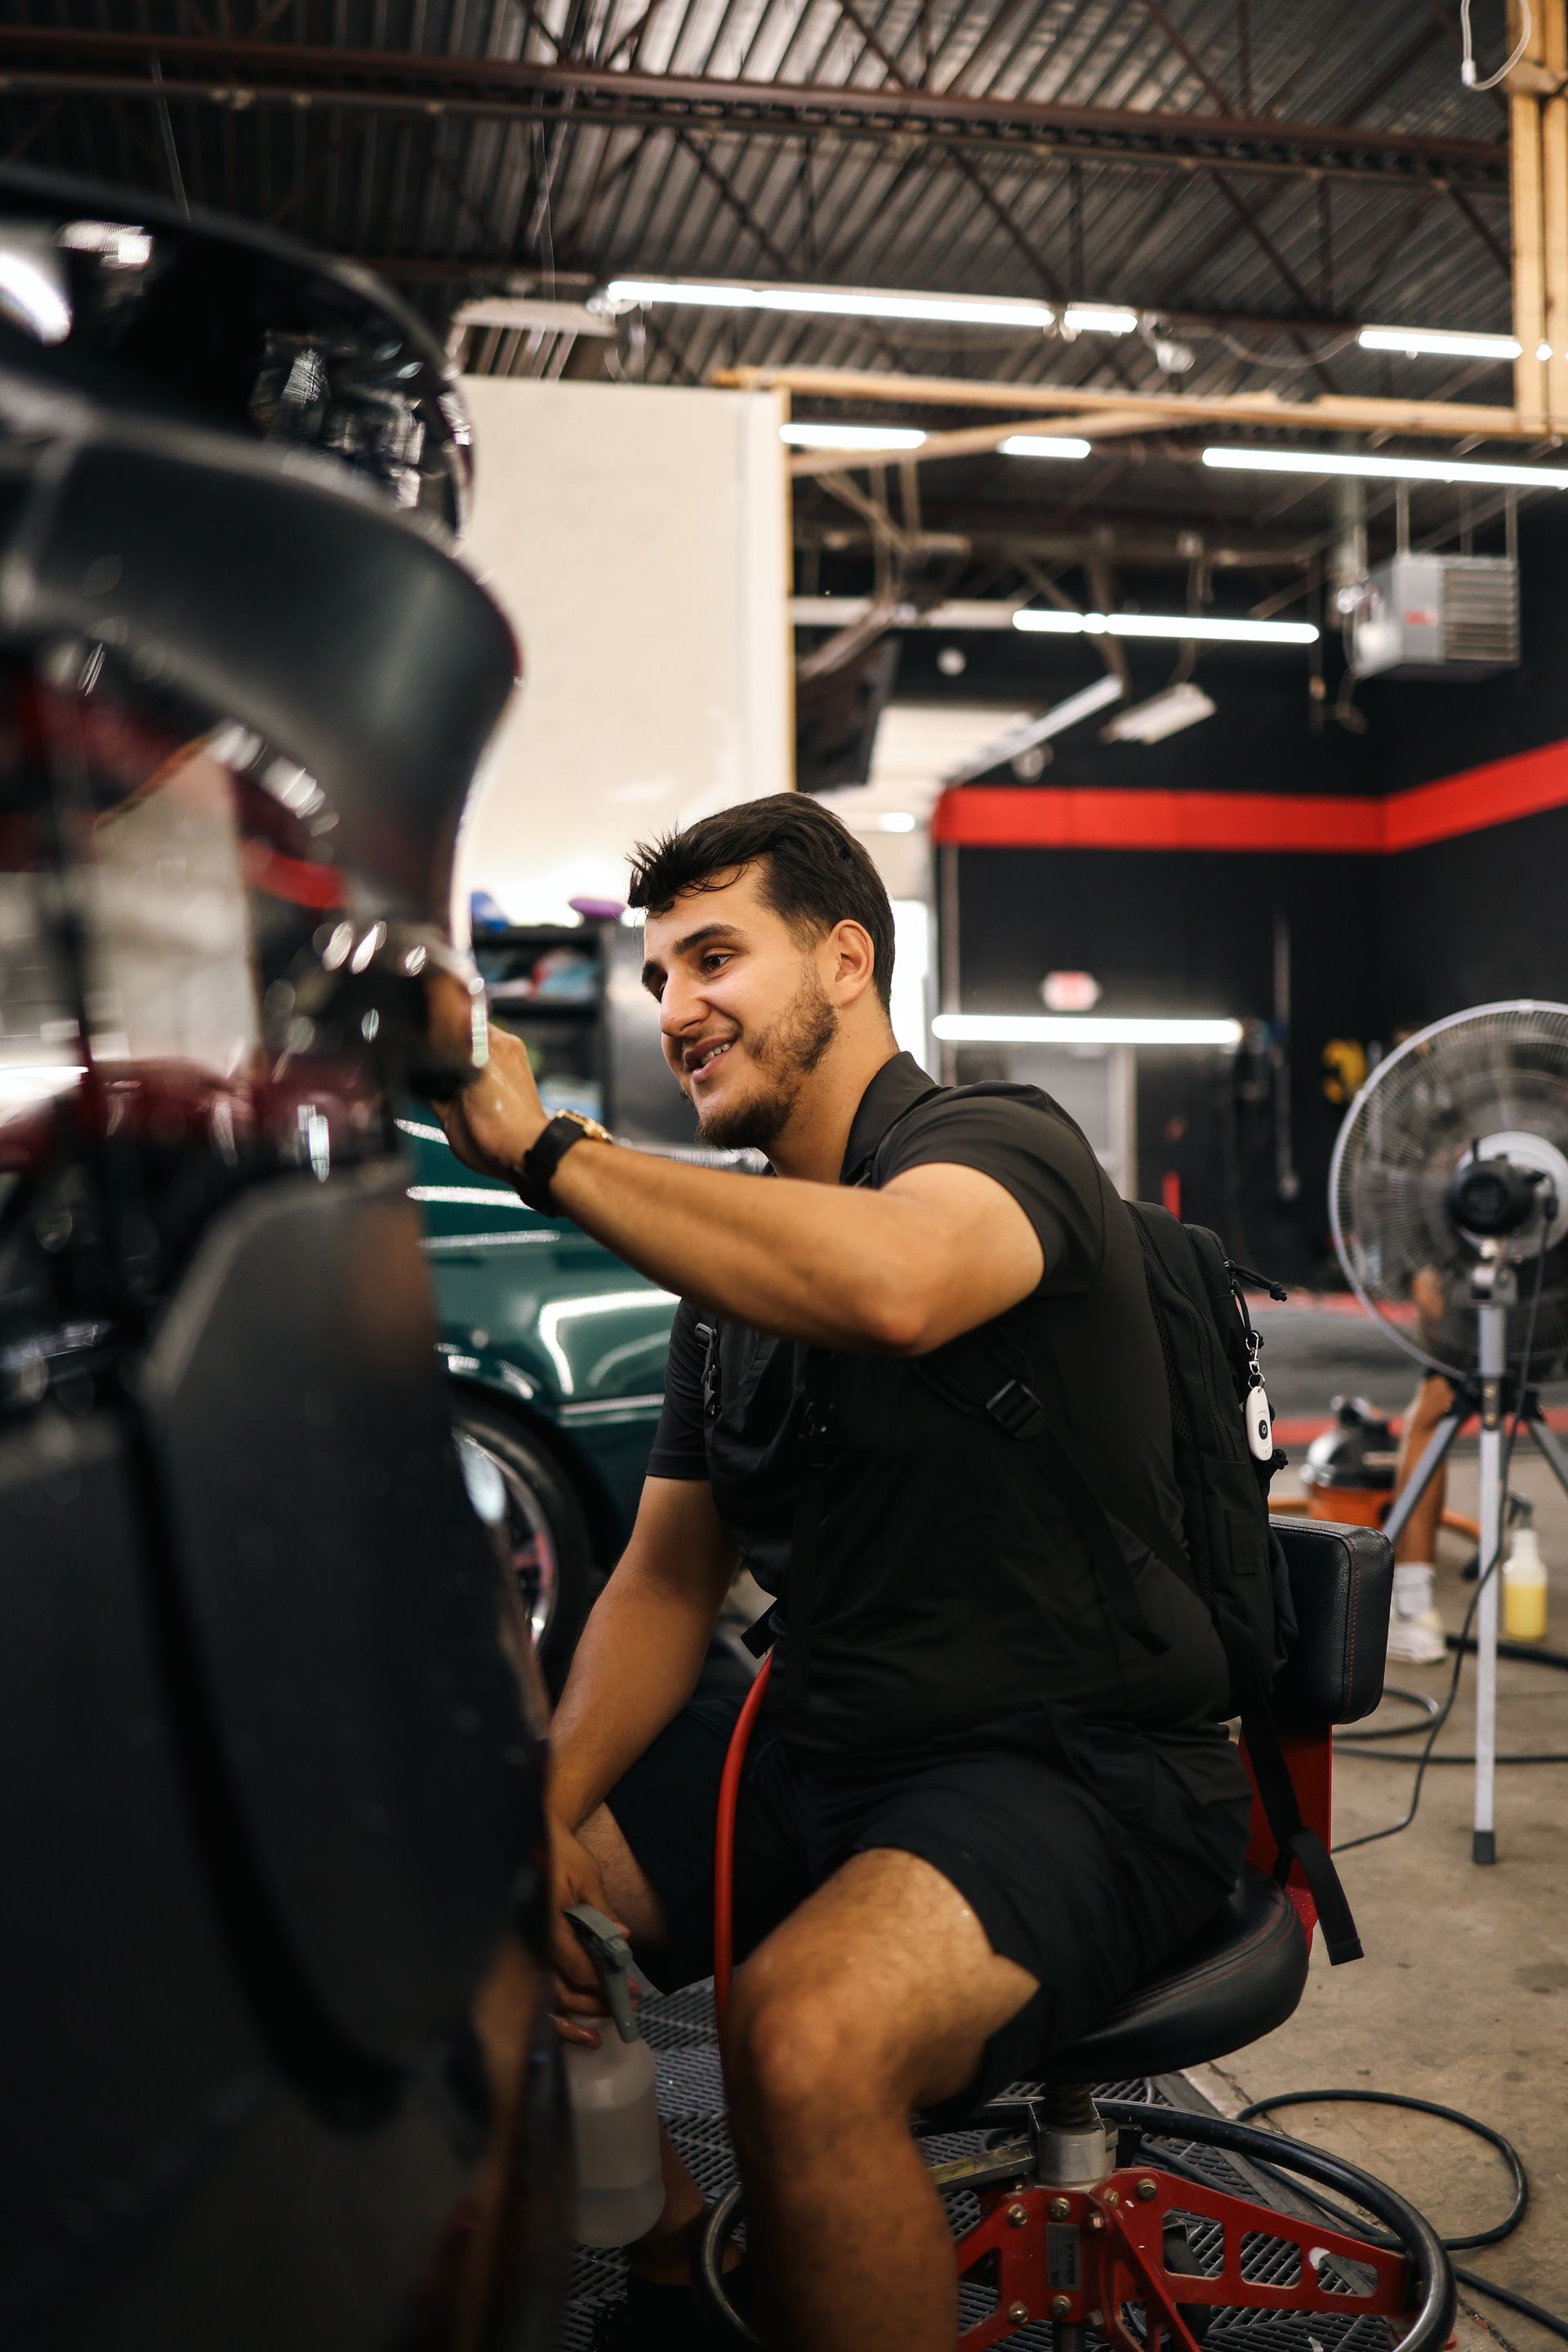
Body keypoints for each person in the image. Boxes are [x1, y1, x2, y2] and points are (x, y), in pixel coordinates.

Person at [433, 794, 1253, 2352]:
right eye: (661, 973)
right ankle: (675, 2261)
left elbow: (891, 1286)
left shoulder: (1004, 1145)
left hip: (1079, 1770)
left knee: (798, 2034)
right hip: (827, 1751)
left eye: (717, 958)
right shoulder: (729, 1280)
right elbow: (667, 1583)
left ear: (848, 960)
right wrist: (539, 1812)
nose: (678, 1009)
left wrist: (547, 1149)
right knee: (461, 1888)